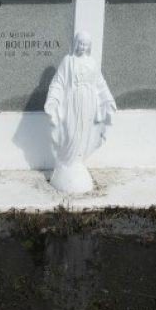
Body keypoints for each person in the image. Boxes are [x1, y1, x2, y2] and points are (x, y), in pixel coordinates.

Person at [43, 30, 117, 194]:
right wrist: (53, 99)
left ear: (89, 46)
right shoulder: (68, 61)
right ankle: (66, 162)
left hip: (88, 103)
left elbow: (100, 83)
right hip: (72, 102)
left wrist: (108, 100)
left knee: (84, 132)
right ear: (76, 43)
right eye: (80, 43)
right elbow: (58, 82)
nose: (82, 47)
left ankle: (77, 162)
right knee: (70, 132)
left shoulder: (92, 62)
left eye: (86, 44)